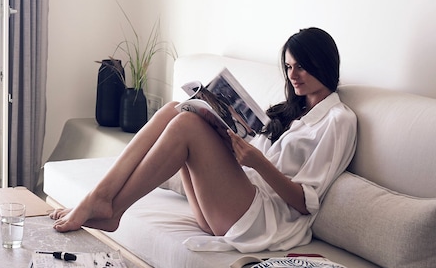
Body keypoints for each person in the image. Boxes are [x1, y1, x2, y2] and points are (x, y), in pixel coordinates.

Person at [51, 27, 357, 253]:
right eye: (288, 67)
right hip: (229, 205)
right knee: (176, 109)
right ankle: (100, 196)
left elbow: (305, 203)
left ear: (323, 64)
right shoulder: (289, 110)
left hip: (262, 221)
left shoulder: (338, 120)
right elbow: (246, 156)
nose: (293, 75)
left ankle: (112, 209)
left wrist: (257, 162)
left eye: (301, 66)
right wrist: (225, 135)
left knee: (185, 123)